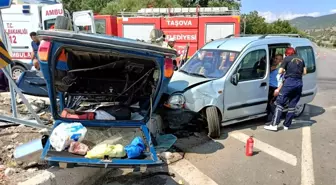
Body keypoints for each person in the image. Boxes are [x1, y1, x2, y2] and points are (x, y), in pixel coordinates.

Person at [264, 47, 307, 131]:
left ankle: (274, 125)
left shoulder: (287, 59)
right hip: (298, 83)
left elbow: (280, 71)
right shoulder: (301, 59)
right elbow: (305, 72)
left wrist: (286, 71)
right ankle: (286, 125)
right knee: (292, 105)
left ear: (286, 54)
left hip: (289, 83)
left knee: (279, 104)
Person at [266, 54, 284, 122]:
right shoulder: (271, 67)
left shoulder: (281, 69)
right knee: (268, 103)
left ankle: (276, 118)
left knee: (272, 103)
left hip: (276, 87)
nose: (276, 60)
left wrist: (278, 89)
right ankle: (269, 117)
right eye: (275, 58)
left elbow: (283, 80)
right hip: (269, 87)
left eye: (279, 59)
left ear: (282, 60)